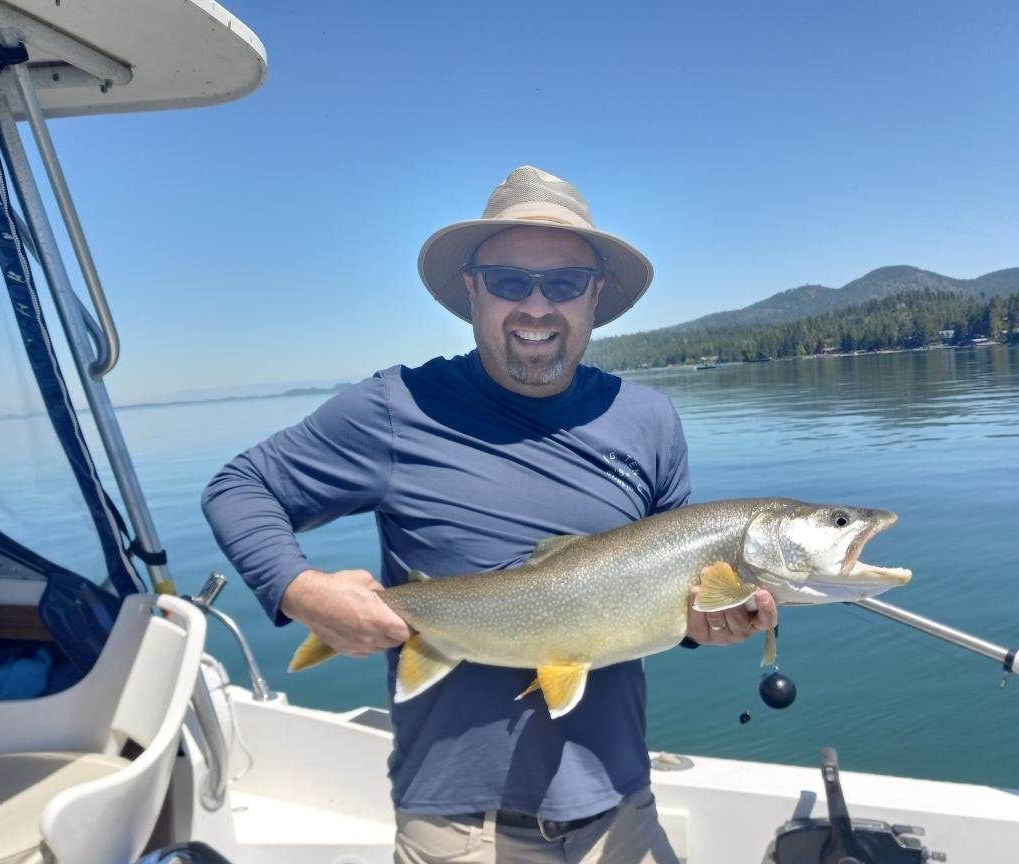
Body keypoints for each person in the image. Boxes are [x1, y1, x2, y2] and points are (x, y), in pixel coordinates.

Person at [202, 166, 777, 863]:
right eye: (510, 281)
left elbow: (666, 597)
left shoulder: (648, 420)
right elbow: (240, 488)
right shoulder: (396, 409)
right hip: (459, 827)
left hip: (622, 808)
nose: (536, 306)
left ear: (595, 293)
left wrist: (704, 627)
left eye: (563, 284)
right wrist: (301, 591)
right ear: (471, 289)